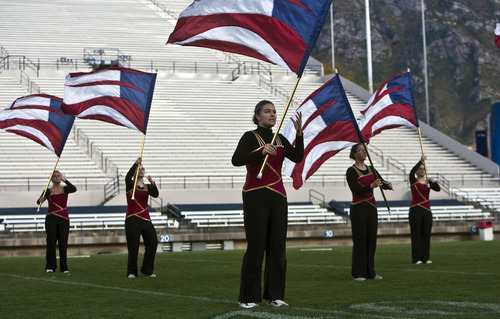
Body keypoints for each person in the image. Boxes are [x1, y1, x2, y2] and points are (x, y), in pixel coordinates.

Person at [232, 100, 303, 309]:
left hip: (278, 196)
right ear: (257, 116)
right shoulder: (249, 137)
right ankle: (248, 297)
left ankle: (275, 296)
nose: (272, 115)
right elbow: (236, 159)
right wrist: (261, 152)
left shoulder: (279, 138)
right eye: (267, 111)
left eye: (274, 112)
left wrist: (299, 135)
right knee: (256, 246)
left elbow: (297, 156)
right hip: (255, 194)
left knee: (278, 247)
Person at [345, 143, 392, 281]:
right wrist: (371, 185)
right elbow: (355, 190)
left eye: (365, 150)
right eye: (360, 150)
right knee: (360, 240)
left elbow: (380, 182)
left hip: (371, 207)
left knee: (371, 240)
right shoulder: (351, 171)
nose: (364, 153)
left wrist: (387, 185)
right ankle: (358, 273)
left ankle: (370, 272)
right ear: (354, 154)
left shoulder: (372, 168)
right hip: (359, 208)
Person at [125, 157, 159, 279]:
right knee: (133, 246)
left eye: (142, 169)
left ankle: (147, 269)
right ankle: (132, 271)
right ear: (135, 171)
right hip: (132, 219)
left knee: (153, 243)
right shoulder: (130, 185)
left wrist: (153, 182)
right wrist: (135, 164)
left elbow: (155, 194)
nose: (141, 170)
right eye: (139, 169)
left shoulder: (147, 186)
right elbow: (127, 177)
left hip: (145, 219)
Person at [37, 170, 77, 274]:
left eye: (58, 176)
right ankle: (50, 266)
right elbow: (39, 202)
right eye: (54, 176)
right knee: (51, 243)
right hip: (51, 218)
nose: (57, 177)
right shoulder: (48, 190)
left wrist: (66, 180)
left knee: (63, 244)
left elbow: (74, 189)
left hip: (64, 219)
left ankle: (64, 267)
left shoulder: (66, 189)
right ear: (51, 179)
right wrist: (40, 200)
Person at [408, 155, 441, 265]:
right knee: (416, 234)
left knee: (426, 234)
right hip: (415, 209)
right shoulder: (413, 181)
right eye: (420, 169)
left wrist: (433, 182)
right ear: (417, 171)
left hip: (426, 210)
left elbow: (438, 189)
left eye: (424, 169)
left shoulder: (428, 182)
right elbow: (411, 172)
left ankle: (425, 257)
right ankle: (416, 258)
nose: (422, 170)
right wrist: (420, 161)